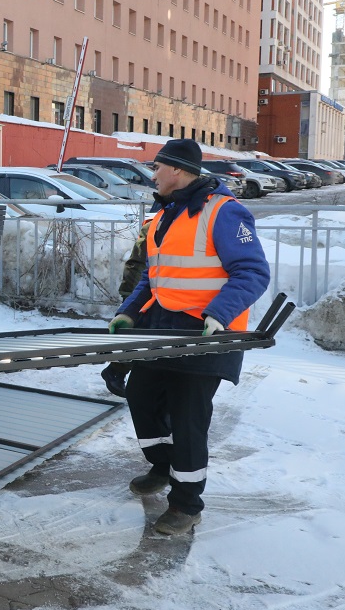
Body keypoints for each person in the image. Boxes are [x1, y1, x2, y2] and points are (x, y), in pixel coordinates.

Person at [108, 139, 270, 535]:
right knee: (141, 396)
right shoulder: (165, 213)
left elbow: (252, 272)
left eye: (158, 168)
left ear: (177, 171)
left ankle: (186, 503)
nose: (153, 175)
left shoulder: (224, 213)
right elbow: (154, 275)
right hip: (162, 327)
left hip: (207, 335)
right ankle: (163, 466)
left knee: (187, 418)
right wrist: (130, 311)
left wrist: (220, 312)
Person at [100, 219, 151, 398]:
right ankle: (117, 370)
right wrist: (133, 298)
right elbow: (139, 264)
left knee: (143, 337)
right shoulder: (157, 225)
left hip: (142, 291)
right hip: (141, 292)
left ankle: (117, 371)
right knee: (139, 336)